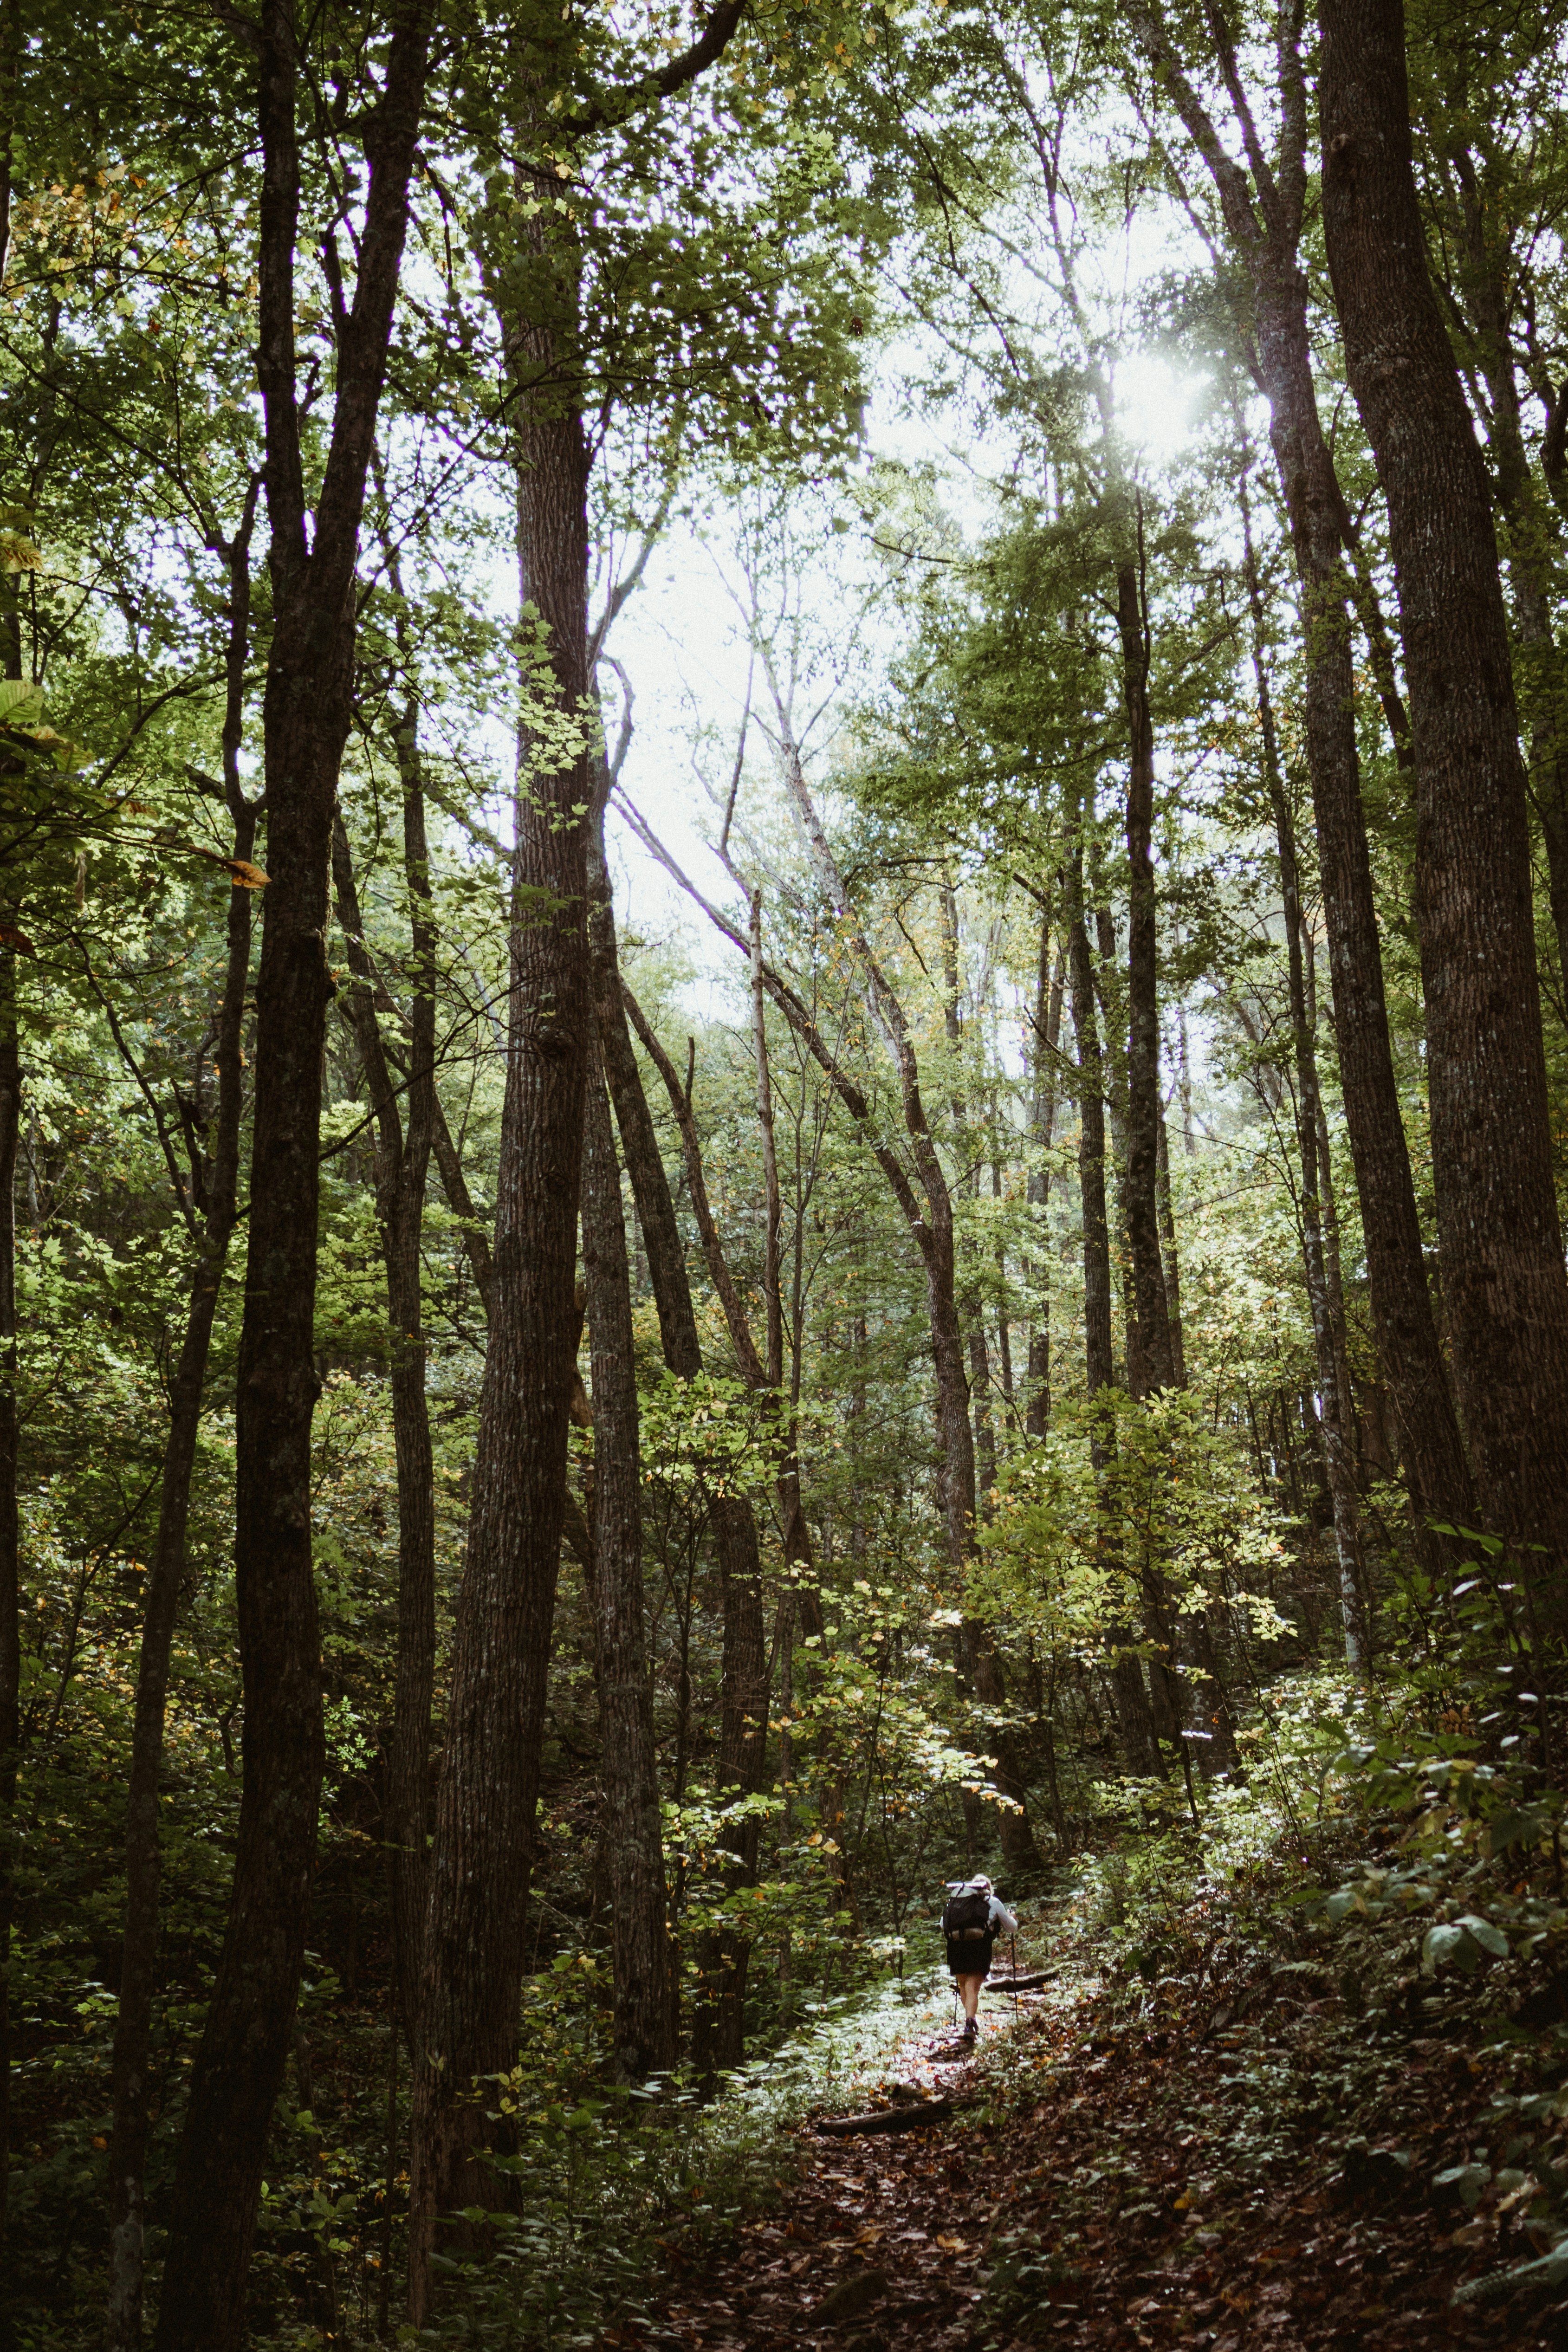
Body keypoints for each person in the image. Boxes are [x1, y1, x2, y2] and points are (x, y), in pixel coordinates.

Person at [941, 1873, 1018, 2040]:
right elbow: (1012, 1928)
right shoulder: (993, 1902)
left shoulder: (957, 1902)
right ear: (988, 1888)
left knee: (964, 1985)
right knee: (972, 1986)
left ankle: (971, 2021)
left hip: (956, 1946)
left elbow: (942, 1924)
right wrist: (1012, 1918)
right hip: (979, 1946)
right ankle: (970, 2022)